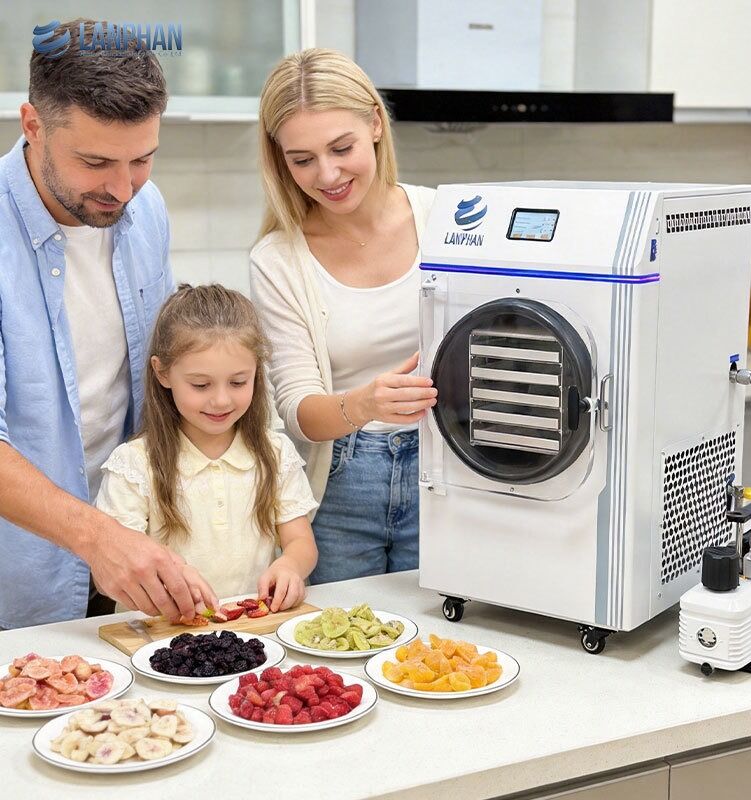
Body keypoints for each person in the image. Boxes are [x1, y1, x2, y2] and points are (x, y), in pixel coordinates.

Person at [0, 19, 216, 629]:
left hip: (128, 553)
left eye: (142, 159)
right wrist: (98, 539)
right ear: (33, 125)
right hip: (22, 575)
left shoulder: (147, 211)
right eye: (95, 161)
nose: (122, 188)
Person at [250, 49, 438, 584]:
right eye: (302, 159)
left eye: (341, 148)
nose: (327, 174)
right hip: (340, 485)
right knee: (342, 629)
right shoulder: (278, 259)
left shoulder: (446, 220)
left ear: (375, 123)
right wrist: (364, 403)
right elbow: (297, 411)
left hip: (447, 471)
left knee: (444, 630)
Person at [96, 284, 319, 609]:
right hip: (159, 631)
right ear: (162, 372)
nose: (221, 400)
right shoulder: (133, 464)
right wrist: (171, 576)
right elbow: (116, 560)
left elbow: (300, 541)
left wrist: (290, 566)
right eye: (201, 385)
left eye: (238, 382)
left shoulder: (276, 453)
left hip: (252, 629)